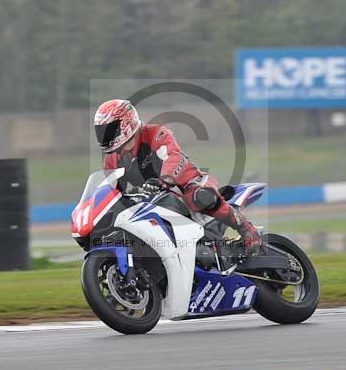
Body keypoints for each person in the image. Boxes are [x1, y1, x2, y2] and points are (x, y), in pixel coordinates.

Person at [94, 98, 261, 255]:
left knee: (197, 197)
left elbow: (174, 156)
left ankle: (246, 229)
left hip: (185, 184)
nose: (104, 136)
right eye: (101, 131)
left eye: (108, 130)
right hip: (152, 198)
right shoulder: (111, 158)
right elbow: (112, 190)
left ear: (125, 123)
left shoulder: (155, 133)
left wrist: (164, 179)